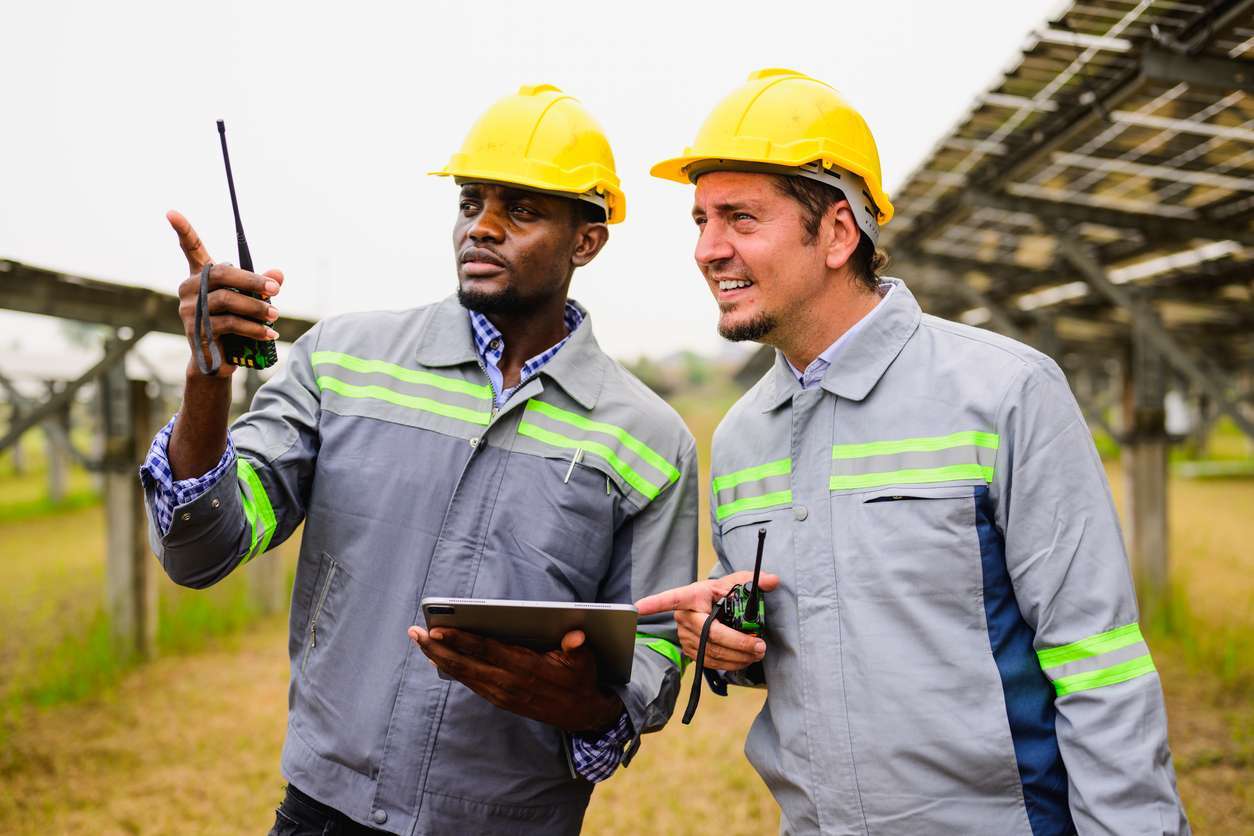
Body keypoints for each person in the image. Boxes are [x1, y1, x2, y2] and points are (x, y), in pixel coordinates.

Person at [637, 68, 1188, 835]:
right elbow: (809, 637)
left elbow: (1099, 662)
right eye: (700, 219)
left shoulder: (1006, 393)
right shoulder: (741, 438)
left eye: (740, 218)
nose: (707, 248)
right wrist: (730, 640)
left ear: (836, 231)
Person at [140, 83, 696, 835]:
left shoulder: (649, 441)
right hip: (323, 812)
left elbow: (655, 663)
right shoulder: (342, 363)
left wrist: (581, 703)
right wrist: (208, 377)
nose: (483, 228)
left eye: (520, 210)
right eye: (471, 202)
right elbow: (201, 548)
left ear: (587, 240)